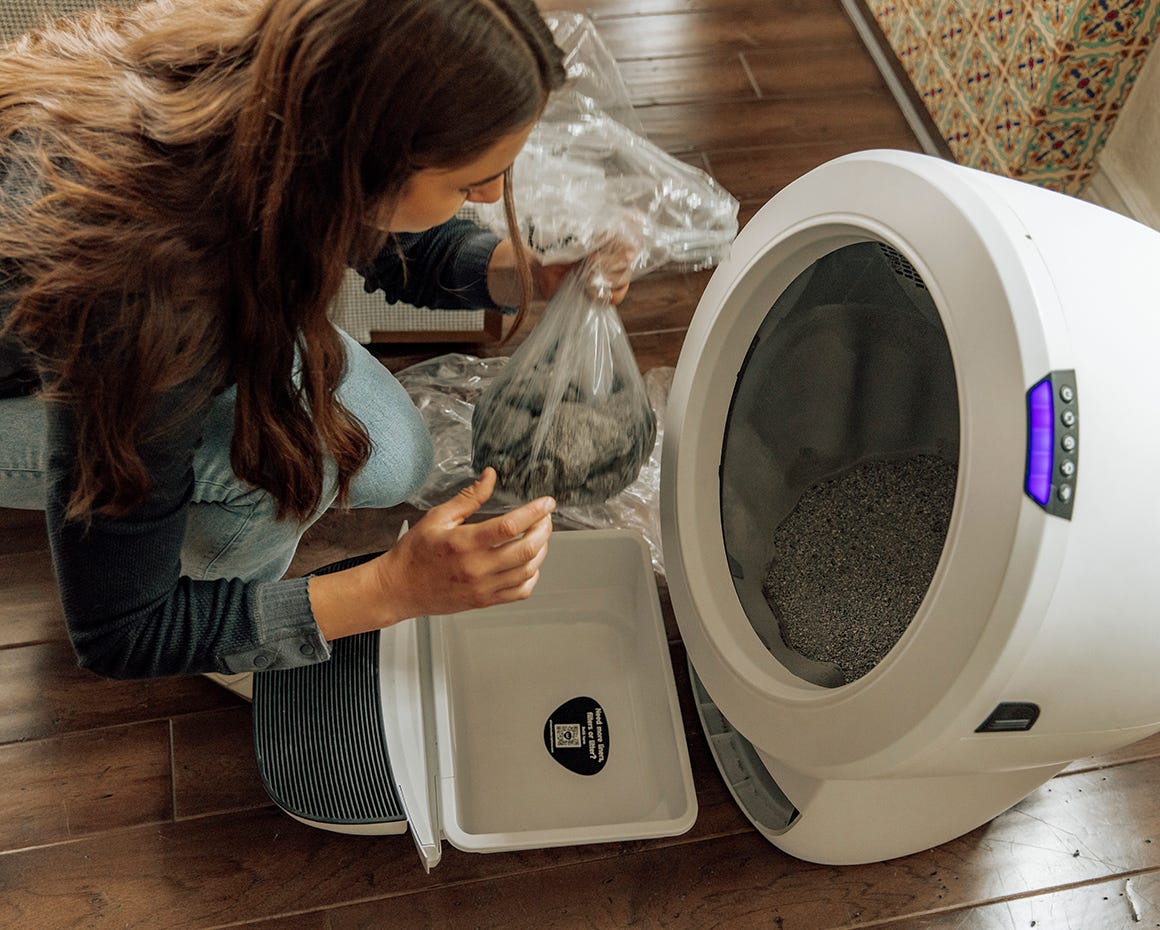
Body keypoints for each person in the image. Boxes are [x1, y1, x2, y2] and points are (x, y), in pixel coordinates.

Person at [0, 0, 631, 683]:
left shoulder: (282, 82)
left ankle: (187, 553)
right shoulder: (154, 303)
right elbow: (119, 633)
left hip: (110, 337)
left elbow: (372, 229)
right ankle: (215, 628)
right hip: (58, 368)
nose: (489, 193)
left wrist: (522, 271)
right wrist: (392, 590)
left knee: (388, 457)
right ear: (367, 156)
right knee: (290, 475)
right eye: (464, 180)